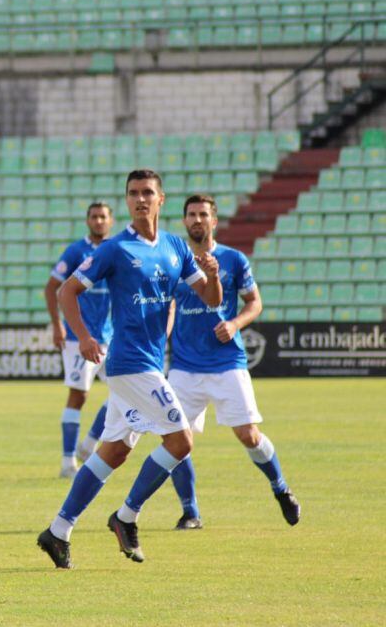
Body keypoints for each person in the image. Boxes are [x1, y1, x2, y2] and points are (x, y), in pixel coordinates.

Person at [36, 169, 222, 569]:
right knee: (181, 441)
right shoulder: (115, 249)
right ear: (127, 201)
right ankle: (126, 516)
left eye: (147, 193)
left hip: (150, 361)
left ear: (161, 199)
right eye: (133, 193)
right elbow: (68, 290)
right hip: (129, 363)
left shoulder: (174, 247)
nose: (140, 199)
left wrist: (215, 275)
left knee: (114, 451)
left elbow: (209, 298)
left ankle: (58, 531)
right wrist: (83, 336)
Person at [165, 195, 300, 530]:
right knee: (173, 440)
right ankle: (190, 511)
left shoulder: (234, 259)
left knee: (248, 434)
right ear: (184, 221)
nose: (197, 220)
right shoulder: (171, 259)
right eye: (192, 215)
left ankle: (280, 487)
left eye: (203, 214)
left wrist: (235, 324)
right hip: (184, 365)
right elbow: (167, 304)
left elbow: (255, 303)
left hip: (227, 362)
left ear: (214, 220)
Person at [44, 202, 114, 478]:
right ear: (88, 221)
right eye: (94, 217)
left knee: (123, 392)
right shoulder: (76, 251)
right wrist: (57, 324)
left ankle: (89, 444)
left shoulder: (115, 249)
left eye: (103, 217)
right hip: (78, 335)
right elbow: (52, 288)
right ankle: (67, 462)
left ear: (111, 220)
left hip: (110, 335)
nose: (98, 221)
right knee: (79, 395)